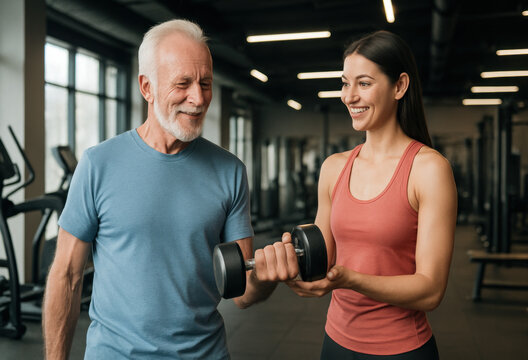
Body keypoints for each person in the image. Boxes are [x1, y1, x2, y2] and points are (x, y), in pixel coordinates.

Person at [42, 19, 299, 360]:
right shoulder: (97, 164)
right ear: (147, 87)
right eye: (183, 84)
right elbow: (67, 276)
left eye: (205, 83)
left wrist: (268, 277)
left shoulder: (230, 171)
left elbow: (242, 291)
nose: (198, 98)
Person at [285, 30, 457, 359]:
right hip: (334, 342)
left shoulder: (429, 170)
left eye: (363, 83)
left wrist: (350, 278)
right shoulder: (333, 168)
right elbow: (322, 264)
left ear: (399, 86)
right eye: (344, 83)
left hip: (402, 349)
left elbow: (431, 290)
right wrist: (289, 263)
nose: (349, 96)